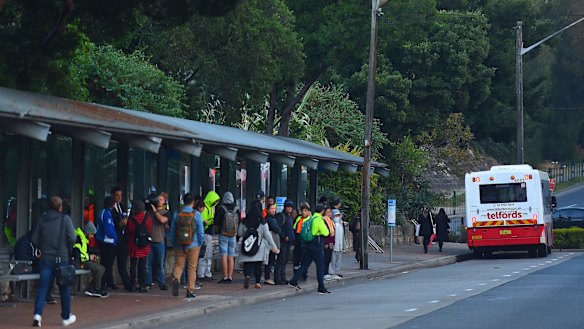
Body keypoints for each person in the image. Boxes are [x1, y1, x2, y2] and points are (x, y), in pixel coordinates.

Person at [31, 196, 77, 327]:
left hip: (45, 259)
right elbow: (72, 238)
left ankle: (37, 315)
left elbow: (34, 239)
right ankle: (66, 317)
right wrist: (66, 248)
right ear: (60, 207)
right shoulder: (65, 219)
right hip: (62, 258)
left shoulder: (42, 220)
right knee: (64, 288)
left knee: (43, 287)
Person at [288, 204, 330, 294]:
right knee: (320, 266)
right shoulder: (319, 220)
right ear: (322, 211)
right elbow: (326, 232)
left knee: (305, 264)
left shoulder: (311, 218)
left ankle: (293, 280)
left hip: (308, 244)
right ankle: (321, 287)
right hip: (316, 245)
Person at [238, 202, 279, 289]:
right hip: (258, 247)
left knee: (247, 264)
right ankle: (257, 282)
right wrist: (273, 246)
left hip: (247, 246)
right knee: (258, 265)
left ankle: (247, 276)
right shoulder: (263, 222)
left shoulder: (244, 222)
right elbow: (267, 235)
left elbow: (240, 233)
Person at [170, 194, 205, 298]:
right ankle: (190, 290)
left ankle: (176, 278)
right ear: (193, 202)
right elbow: (200, 232)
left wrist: (174, 243)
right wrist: (200, 242)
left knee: (178, 265)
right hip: (193, 245)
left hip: (179, 244)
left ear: (183, 201)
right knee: (191, 268)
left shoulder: (177, 214)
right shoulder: (197, 214)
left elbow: (172, 231)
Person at [73, 222, 108, 298]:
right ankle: (96, 288)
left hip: (83, 260)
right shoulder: (78, 239)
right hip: (80, 262)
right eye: (91, 234)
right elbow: (78, 255)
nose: (92, 237)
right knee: (98, 269)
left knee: (102, 268)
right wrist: (89, 257)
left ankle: (92, 287)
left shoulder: (83, 239)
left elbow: (84, 252)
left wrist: (91, 255)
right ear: (87, 232)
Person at [126, 199, 152, 293]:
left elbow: (129, 231)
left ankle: (132, 285)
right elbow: (148, 230)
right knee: (142, 266)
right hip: (144, 245)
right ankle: (142, 285)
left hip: (134, 244)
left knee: (133, 266)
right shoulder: (148, 219)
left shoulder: (132, 220)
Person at [145, 193, 170, 290]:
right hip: (149, 241)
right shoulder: (149, 212)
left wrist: (155, 212)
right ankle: (148, 281)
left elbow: (162, 220)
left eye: (161, 199)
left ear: (164, 202)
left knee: (160, 264)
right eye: (157, 199)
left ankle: (161, 282)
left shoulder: (165, 212)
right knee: (148, 264)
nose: (158, 201)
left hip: (159, 241)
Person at [215, 191, 239, 284]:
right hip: (233, 235)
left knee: (223, 254)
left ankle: (225, 276)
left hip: (223, 234)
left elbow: (217, 222)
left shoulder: (221, 208)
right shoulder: (236, 209)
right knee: (231, 255)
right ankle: (230, 276)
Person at [110, 186, 131, 290]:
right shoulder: (110, 209)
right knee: (110, 263)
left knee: (122, 263)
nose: (119, 197)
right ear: (113, 196)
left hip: (122, 239)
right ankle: (109, 282)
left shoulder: (121, 206)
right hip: (113, 238)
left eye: (120, 195)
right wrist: (120, 223)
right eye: (117, 195)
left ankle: (127, 283)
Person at [96, 196, 118, 291]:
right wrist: (115, 238)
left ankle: (104, 282)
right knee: (106, 264)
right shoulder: (106, 213)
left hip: (106, 241)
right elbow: (108, 229)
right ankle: (102, 283)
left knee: (106, 264)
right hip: (106, 241)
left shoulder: (104, 212)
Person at [197, 191, 220, 282]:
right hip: (206, 233)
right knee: (205, 255)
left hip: (208, 233)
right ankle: (202, 274)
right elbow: (201, 222)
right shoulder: (206, 209)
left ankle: (206, 273)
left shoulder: (208, 208)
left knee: (208, 255)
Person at [274, 199, 295, 285]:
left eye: (290, 207)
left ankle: (282, 277)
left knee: (285, 259)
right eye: (288, 207)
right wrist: (284, 236)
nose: (289, 208)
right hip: (283, 241)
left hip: (288, 241)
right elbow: (278, 228)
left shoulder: (289, 217)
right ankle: (277, 277)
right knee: (281, 259)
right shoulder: (281, 216)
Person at [292, 202, 311, 280]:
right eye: (302, 211)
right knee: (296, 259)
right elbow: (294, 228)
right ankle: (296, 274)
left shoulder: (310, 220)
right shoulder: (298, 218)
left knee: (304, 260)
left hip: (305, 243)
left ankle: (303, 275)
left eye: (305, 211)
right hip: (298, 242)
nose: (303, 212)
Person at [263, 203, 281, 285]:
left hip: (272, 241)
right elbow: (276, 228)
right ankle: (267, 277)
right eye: (271, 209)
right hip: (270, 242)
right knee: (270, 260)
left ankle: (268, 277)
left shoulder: (273, 218)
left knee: (271, 260)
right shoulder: (269, 219)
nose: (273, 210)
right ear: (267, 210)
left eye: (274, 208)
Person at [328, 209, 344, 279]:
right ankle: (331, 272)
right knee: (333, 260)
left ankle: (337, 272)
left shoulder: (340, 224)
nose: (337, 217)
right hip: (334, 245)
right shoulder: (332, 224)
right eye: (336, 215)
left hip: (340, 245)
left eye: (338, 215)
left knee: (338, 260)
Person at [322, 207, 335, 280]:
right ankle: (324, 272)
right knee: (325, 258)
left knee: (328, 258)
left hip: (331, 242)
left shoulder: (331, 221)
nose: (329, 213)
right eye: (328, 212)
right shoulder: (324, 220)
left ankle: (326, 272)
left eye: (330, 212)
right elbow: (325, 233)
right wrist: (326, 242)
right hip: (327, 242)